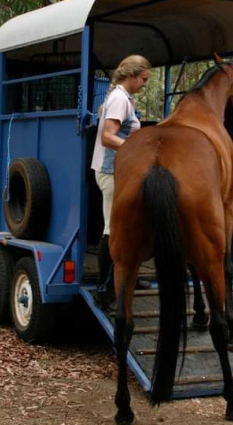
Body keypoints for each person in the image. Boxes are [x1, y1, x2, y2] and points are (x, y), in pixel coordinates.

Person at [91, 54, 152, 307]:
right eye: (144, 79)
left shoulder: (121, 97)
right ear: (131, 76)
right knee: (111, 229)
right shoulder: (118, 99)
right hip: (111, 172)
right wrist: (135, 149)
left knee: (127, 227)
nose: (145, 84)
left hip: (121, 171)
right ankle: (104, 288)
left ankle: (126, 276)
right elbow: (108, 137)